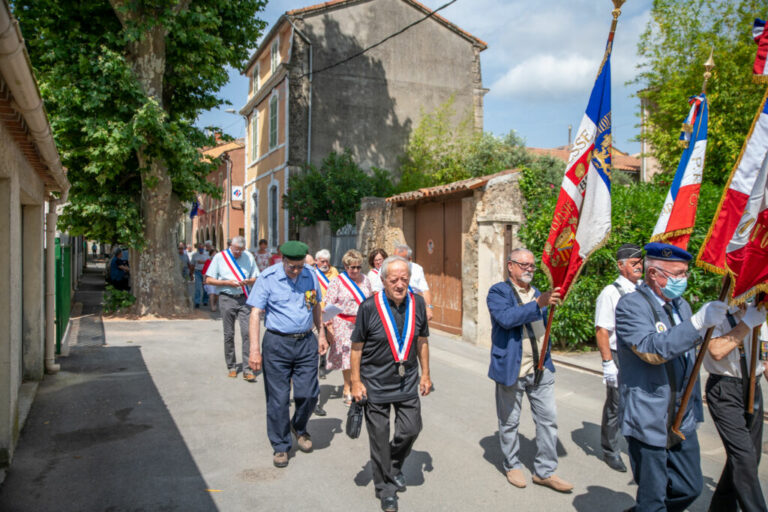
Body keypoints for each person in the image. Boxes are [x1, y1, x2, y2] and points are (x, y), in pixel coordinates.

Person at [615, 242, 728, 512]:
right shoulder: (631, 306)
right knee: (653, 498)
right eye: (678, 273)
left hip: (682, 415)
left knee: (690, 487)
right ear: (654, 274)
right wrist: (697, 324)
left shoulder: (682, 305)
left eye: (685, 273)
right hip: (650, 415)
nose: (684, 279)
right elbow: (652, 350)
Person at [486, 247, 572, 492]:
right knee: (509, 421)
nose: (529, 269)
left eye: (532, 266)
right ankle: (512, 464)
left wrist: (543, 303)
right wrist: (538, 304)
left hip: (542, 368)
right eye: (523, 265)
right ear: (510, 265)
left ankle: (545, 471)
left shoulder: (537, 293)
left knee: (548, 421)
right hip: (512, 369)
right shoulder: (498, 292)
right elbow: (507, 318)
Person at [350, 255, 431, 512]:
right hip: (374, 383)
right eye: (394, 279)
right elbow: (356, 347)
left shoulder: (417, 303)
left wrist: (426, 374)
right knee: (379, 437)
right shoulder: (369, 307)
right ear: (382, 280)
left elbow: (422, 341)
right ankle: (385, 487)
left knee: (411, 429)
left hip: (407, 380)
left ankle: (392, 464)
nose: (399, 284)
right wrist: (355, 381)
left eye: (404, 279)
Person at [247, 241, 328, 468]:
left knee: (309, 393)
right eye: (292, 266)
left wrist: (321, 334)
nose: (296, 271)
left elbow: (315, 305)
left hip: (305, 342)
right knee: (278, 399)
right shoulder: (268, 278)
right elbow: (255, 314)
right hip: (277, 344)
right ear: (282, 260)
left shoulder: (310, 275)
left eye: (300, 266)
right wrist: (254, 350)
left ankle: (299, 427)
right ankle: (281, 446)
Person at [703, 303, 766, 511]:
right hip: (725, 389)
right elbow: (716, 350)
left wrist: (757, 321)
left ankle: (721, 508)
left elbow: (765, 362)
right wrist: (747, 323)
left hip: (753, 387)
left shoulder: (760, 314)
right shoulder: (715, 311)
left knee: (750, 456)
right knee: (744, 457)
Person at [593, 243, 643, 473]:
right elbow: (602, 330)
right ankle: (610, 450)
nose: (639, 266)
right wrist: (607, 363)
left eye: (640, 262)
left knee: (640, 402)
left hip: (640, 354)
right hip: (618, 354)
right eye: (634, 263)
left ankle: (638, 444)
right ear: (621, 266)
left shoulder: (643, 289)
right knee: (616, 404)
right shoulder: (610, 293)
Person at [205, 237, 259, 381]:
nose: (238, 253)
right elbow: (209, 279)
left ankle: (248, 368)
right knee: (229, 334)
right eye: (236, 250)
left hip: (244, 298)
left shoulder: (248, 256)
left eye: (241, 250)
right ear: (231, 246)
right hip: (226, 297)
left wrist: (249, 281)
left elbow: (256, 277)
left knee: (247, 333)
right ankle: (232, 366)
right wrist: (226, 282)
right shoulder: (219, 257)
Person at [324, 249, 372, 405]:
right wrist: (329, 328)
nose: (356, 270)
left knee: (361, 355)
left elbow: (370, 301)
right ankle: (347, 387)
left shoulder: (365, 280)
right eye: (353, 267)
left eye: (359, 267)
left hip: (362, 323)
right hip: (343, 323)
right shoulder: (337, 282)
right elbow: (328, 306)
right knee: (347, 356)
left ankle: (358, 384)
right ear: (346, 266)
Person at [392, 244, 433, 321]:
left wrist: (429, 307)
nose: (396, 261)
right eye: (394, 258)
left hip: (411, 307)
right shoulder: (386, 268)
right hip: (391, 306)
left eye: (400, 259)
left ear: (409, 259)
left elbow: (425, 290)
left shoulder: (417, 269)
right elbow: (377, 290)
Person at [191, 243, 209, 308]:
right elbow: (192, 265)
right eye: (199, 248)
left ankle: (205, 300)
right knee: (197, 288)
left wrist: (203, 262)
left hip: (206, 273)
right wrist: (191, 273)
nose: (201, 249)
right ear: (197, 248)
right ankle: (197, 302)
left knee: (205, 288)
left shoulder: (207, 254)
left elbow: (210, 262)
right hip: (197, 272)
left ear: (203, 247)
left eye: (202, 247)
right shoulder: (194, 255)